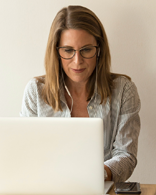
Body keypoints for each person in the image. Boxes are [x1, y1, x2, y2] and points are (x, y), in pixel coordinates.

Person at [20, 5, 140, 183]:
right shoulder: (36, 91)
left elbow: (126, 156)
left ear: (99, 49)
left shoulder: (123, 90)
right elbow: (26, 154)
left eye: (86, 50)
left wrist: (98, 174)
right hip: (47, 191)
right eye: (68, 50)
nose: (77, 61)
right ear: (56, 52)